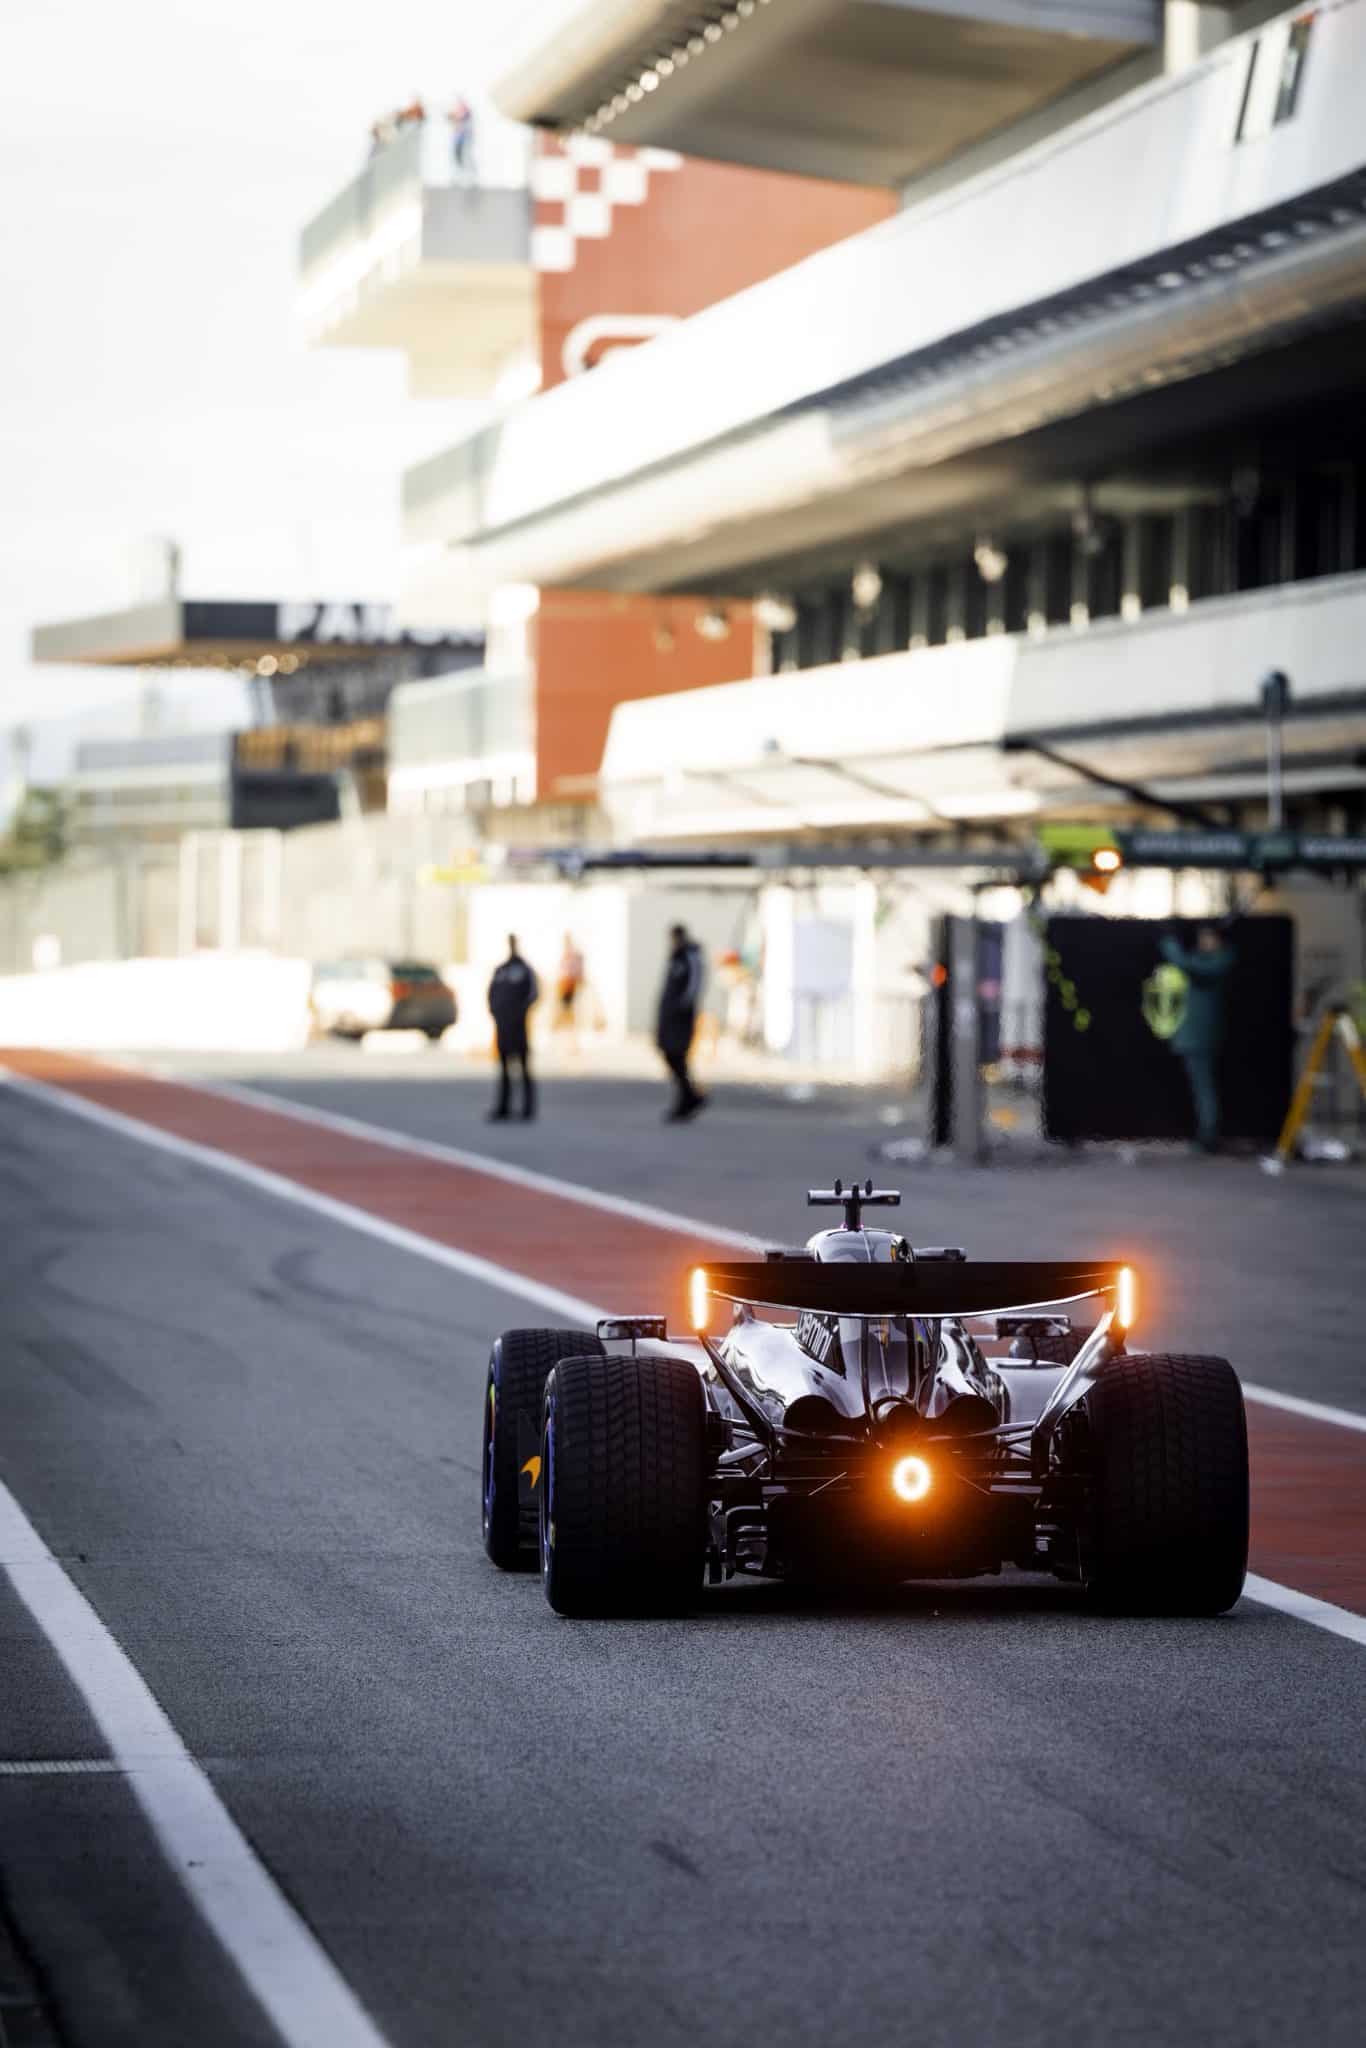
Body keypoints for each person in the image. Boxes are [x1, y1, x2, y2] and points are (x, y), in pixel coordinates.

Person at [1159, 923, 1236, 1153]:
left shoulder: (1221, 961)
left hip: (1202, 1036)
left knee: (1204, 1088)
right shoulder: (1209, 959)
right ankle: (1206, 1133)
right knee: (1201, 1087)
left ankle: (1208, 1136)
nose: (1203, 943)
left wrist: (1169, 946)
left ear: (1219, 940)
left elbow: (1187, 965)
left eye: (1208, 938)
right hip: (1195, 1035)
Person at [656, 924, 706, 1122]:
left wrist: (683, 1006)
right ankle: (689, 1096)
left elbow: (694, 984)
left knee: (678, 1055)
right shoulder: (675, 957)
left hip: (681, 1016)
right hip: (670, 1016)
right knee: (671, 1054)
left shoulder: (690, 956)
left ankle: (688, 1097)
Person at [487, 935, 538, 1122]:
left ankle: (528, 1109)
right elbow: (491, 994)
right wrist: (497, 1013)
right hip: (503, 1027)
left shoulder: (524, 970)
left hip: (519, 1027)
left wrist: (519, 1013)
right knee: (503, 1069)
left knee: (524, 1068)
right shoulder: (501, 970)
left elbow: (533, 994)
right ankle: (503, 1107)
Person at [553, 933, 585, 1045]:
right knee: (564, 1012)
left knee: (570, 1013)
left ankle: (572, 1039)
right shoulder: (565, 955)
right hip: (564, 986)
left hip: (571, 986)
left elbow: (578, 972)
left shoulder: (574, 955)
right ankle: (566, 1038)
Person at [449, 97, 475, 178]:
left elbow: (461, 118)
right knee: (457, 157)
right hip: (458, 139)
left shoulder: (466, 114)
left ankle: (470, 176)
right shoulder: (458, 115)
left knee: (466, 157)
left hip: (465, 139)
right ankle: (459, 175)